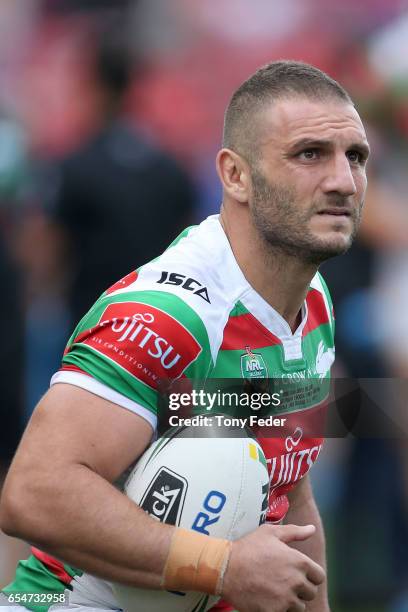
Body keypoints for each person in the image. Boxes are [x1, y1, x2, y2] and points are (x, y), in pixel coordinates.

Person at [0, 60, 369, 612]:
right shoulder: (169, 316)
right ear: (234, 175)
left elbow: (289, 492)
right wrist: (222, 567)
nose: (343, 180)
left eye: (356, 156)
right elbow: (32, 493)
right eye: (309, 154)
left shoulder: (312, 297)